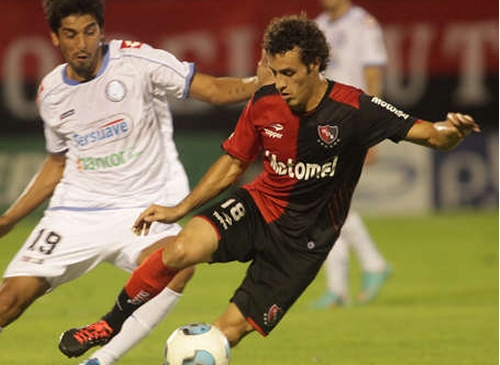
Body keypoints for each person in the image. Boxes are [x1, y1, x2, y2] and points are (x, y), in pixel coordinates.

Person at [60, 14, 479, 355]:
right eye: (275, 71)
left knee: (222, 336)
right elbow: (233, 162)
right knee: (182, 248)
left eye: (290, 73)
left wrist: (451, 132)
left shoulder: (355, 109)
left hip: (303, 245)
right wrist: (178, 209)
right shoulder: (265, 101)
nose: (280, 82)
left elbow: (430, 134)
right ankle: (106, 325)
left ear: (315, 66)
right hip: (259, 207)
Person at [0, 1, 271, 364]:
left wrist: (260, 84)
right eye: (71, 34)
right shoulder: (51, 92)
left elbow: (216, 90)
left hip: (145, 206)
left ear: (101, 31)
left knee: (177, 267)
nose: (82, 44)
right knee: (9, 299)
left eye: (90, 31)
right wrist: (11, 218)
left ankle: (101, 360)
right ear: (54, 38)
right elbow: (56, 164)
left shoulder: (137, 62)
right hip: (77, 211)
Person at [311, 0, 391, 308]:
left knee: (327, 201)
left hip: (353, 119)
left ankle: (363, 271)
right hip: (324, 122)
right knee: (328, 203)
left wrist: (375, 126)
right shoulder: (320, 24)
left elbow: (372, 73)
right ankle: (343, 285)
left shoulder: (362, 23)